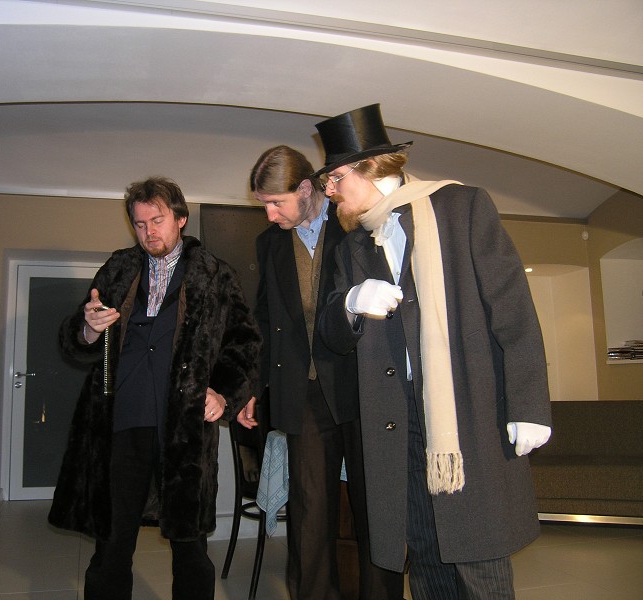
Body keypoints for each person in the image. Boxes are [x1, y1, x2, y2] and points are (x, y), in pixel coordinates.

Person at [314, 104, 552, 600]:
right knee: (425, 556)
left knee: (478, 560)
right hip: (395, 421)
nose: (330, 191)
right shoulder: (350, 248)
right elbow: (331, 336)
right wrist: (351, 303)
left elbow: (513, 311)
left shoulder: (461, 208)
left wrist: (529, 405)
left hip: (467, 416)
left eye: (335, 178)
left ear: (370, 167)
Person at [47, 176, 261, 600]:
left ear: (180, 218)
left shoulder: (216, 275)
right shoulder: (118, 269)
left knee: (190, 547)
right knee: (111, 543)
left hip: (183, 428)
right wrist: (89, 329)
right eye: (140, 223)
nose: (148, 232)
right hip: (120, 422)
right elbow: (75, 339)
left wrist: (223, 393)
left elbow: (244, 343)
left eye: (157, 220)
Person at [243, 145, 403, 600]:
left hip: (363, 386)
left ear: (305, 188)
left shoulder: (356, 220)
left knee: (376, 510)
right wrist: (254, 385)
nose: (270, 215)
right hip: (304, 393)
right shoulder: (270, 243)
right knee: (309, 513)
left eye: (276, 203)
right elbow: (264, 319)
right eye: (264, 205)